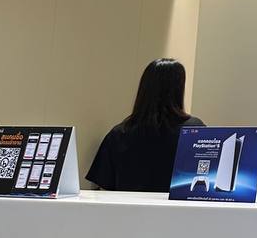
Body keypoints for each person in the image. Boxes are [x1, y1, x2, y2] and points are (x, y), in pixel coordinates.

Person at [86, 58, 203, 192]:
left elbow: (101, 186)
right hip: (178, 205)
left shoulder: (119, 134)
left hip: (127, 205)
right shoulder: (195, 131)